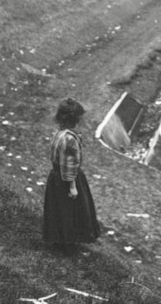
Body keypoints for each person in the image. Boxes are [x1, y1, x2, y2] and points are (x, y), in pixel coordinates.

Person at [43, 98, 100, 247]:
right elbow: (69, 164)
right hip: (67, 178)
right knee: (70, 210)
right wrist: (73, 186)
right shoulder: (69, 139)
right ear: (75, 119)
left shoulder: (59, 133)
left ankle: (59, 239)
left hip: (55, 176)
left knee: (59, 209)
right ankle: (68, 244)